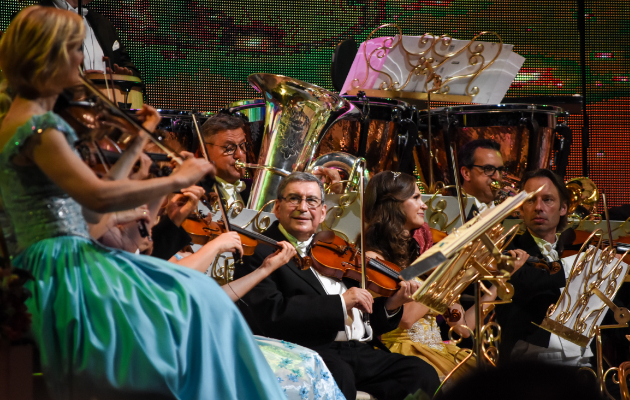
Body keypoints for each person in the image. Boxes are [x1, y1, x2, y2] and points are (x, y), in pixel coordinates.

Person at [0, 7, 286, 399]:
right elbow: (96, 195)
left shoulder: (26, 120)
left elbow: (87, 210)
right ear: (47, 55)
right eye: (73, 49)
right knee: (196, 297)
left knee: (194, 295)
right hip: (62, 263)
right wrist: (174, 179)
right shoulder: (40, 126)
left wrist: (137, 143)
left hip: (61, 252)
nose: (81, 59)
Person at [234, 171, 440, 400]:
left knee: (420, 373)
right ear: (277, 208)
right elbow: (270, 313)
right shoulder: (259, 252)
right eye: (294, 199)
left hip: (356, 351)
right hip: (307, 349)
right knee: (338, 375)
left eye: (311, 200)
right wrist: (340, 303)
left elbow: (367, 320)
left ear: (322, 212)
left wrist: (392, 304)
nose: (303, 207)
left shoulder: (334, 248)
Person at [363, 171, 481, 382]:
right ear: (394, 204)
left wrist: (484, 290)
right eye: (416, 198)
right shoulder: (373, 258)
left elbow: (461, 329)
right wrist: (450, 277)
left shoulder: (420, 259)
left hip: (438, 349)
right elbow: (405, 319)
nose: (424, 205)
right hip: (405, 351)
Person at [495, 168, 592, 366]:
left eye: (547, 200)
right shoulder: (508, 248)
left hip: (582, 355)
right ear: (521, 208)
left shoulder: (575, 248)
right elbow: (530, 281)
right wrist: (584, 266)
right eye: (530, 200)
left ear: (564, 208)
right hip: (530, 356)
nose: (538, 207)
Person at [200, 112, 343, 208]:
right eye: (229, 148)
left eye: (243, 146)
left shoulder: (256, 190)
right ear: (205, 151)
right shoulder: (196, 194)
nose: (240, 155)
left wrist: (330, 196)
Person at [35, 0, 139, 76]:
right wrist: (73, 80)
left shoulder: (102, 23)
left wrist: (124, 73)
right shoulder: (35, 17)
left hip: (105, 103)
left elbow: (127, 65)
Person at [457, 139, 513, 220]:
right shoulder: (451, 211)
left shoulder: (507, 215)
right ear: (466, 173)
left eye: (500, 170)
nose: (497, 177)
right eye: (489, 169)